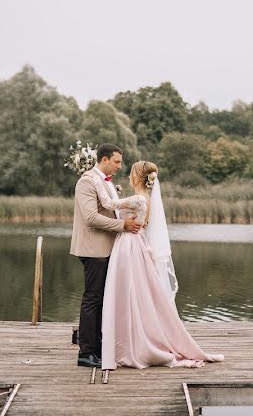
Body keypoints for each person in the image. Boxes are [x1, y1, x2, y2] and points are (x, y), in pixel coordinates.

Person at [94, 160, 224, 370]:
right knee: (137, 292)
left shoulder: (138, 198)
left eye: (131, 173)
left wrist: (95, 177)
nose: (128, 175)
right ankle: (132, 337)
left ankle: (132, 343)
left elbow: (109, 205)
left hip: (129, 245)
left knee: (129, 292)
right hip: (136, 243)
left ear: (137, 177)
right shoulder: (144, 198)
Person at [70, 143, 142, 369]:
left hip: (108, 248)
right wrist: (122, 225)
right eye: (117, 161)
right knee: (92, 299)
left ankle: (99, 346)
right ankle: (86, 352)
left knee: (102, 299)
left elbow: (111, 208)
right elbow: (90, 217)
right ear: (103, 159)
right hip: (94, 249)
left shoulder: (107, 183)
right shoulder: (86, 181)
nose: (120, 166)